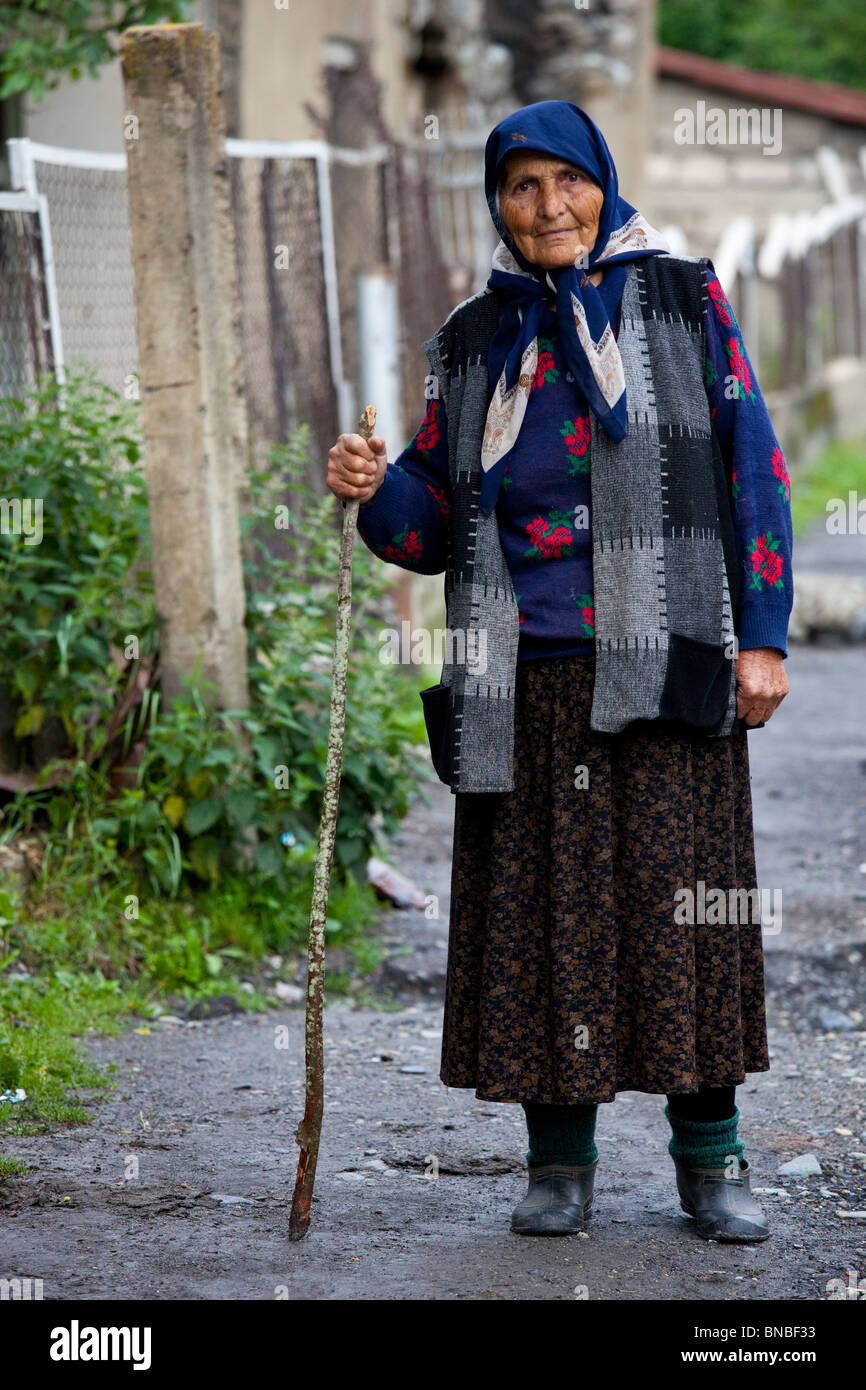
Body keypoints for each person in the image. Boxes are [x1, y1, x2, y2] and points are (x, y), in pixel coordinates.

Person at [326, 100, 792, 1241]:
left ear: (603, 182)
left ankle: (709, 1161)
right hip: (522, 679)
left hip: (670, 658)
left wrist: (765, 635)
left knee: (681, 918)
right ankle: (558, 1164)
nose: (549, 208)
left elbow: (753, 470)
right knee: (546, 924)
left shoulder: (683, 300)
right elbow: (429, 522)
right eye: (522, 187)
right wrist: (371, 486)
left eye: (567, 182)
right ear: (498, 202)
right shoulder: (473, 338)